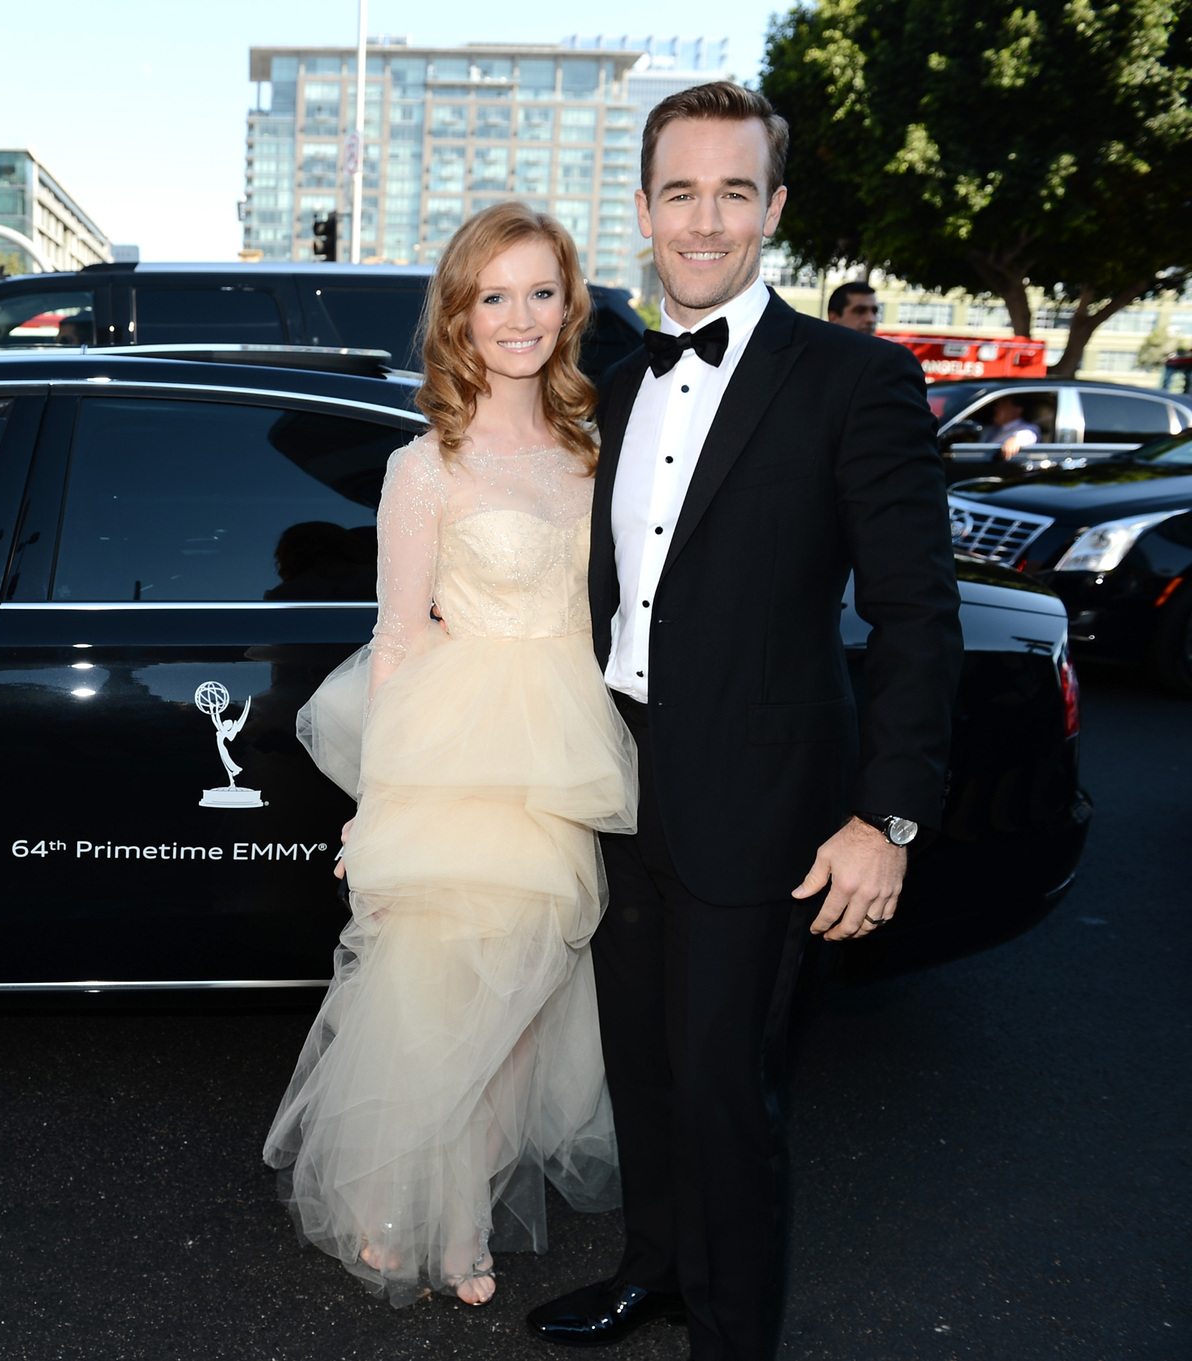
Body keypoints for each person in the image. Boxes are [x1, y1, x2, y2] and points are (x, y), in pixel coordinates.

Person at [524, 82, 960, 1360]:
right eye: (678, 192)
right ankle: (652, 1269)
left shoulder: (856, 379)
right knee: (640, 1067)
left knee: (725, 1087)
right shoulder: (607, 384)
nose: (702, 220)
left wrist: (885, 814)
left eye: (731, 191)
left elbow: (916, 617)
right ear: (644, 208)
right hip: (613, 779)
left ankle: (732, 1330)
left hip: (768, 799)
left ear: (771, 209)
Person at [269, 201, 638, 1309]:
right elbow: (396, 636)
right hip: (459, 744)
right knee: (441, 993)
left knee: (527, 1000)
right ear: (459, 315)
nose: (518, 316)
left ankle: (460, 1195)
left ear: (567, 303)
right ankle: (406, 1209)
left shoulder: (592, 449)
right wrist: (377, 798)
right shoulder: (422, 464)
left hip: (567, 744)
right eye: (493, 295)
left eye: (539, 291)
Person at [983, 393, 1042, 459]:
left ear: (1018, 410)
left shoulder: (1026, 428)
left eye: (1002, 405)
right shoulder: (992, 428)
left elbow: (1030, 435)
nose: (996, 408)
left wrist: (1015, 440)